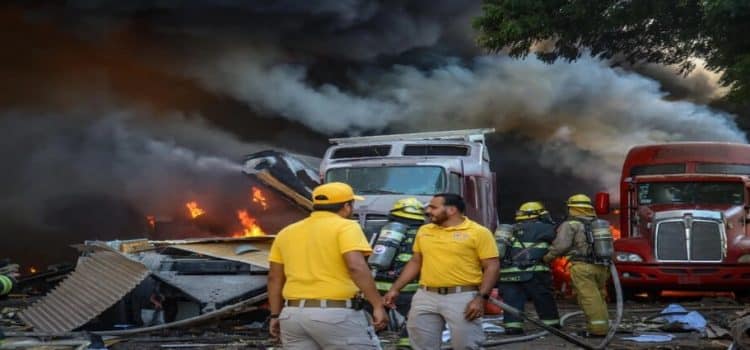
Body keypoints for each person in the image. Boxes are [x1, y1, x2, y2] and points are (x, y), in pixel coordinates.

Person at [267, 182, 388, 349]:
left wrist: (275, 314)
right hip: (335, 315)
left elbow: (274, 278)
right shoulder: (346, 227)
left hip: (292, 316)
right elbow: (356, 267)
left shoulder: (287, 232)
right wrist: (377, 305)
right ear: (347, 206)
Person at [384, 193, 499, 350]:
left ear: (451, 210)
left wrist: (480, 299)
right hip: (425, 296)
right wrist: (395, 289)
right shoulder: (424, 231)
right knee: (421, 345)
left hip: (462, 297)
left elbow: (492, 266)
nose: (428, 211)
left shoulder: (479, 232)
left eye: (433, 207)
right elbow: (416, 261)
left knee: (466, 346)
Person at [543, 194, 609, 338]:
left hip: (582, 266)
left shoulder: (570, 224)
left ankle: (597, 330)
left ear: (572, 208)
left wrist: (546, 258)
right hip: (602, 267)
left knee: (589, 298)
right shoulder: (598, 223)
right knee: (599, 297)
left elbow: (561, 246)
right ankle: (603, 326)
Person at [498, 201, 561, 335]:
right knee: (543, 298)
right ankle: (551, 325)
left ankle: (512, 327)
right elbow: (559, 244)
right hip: (534, 271)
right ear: (537, 214)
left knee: (511, 300)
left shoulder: (509, 229)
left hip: (508, 272)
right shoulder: (546, 228)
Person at [373, 197, 425, 347]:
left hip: (377, 289)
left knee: (370, 328)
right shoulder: (425, 234)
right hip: (408, 290)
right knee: (411, 329)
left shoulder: (383, 230)